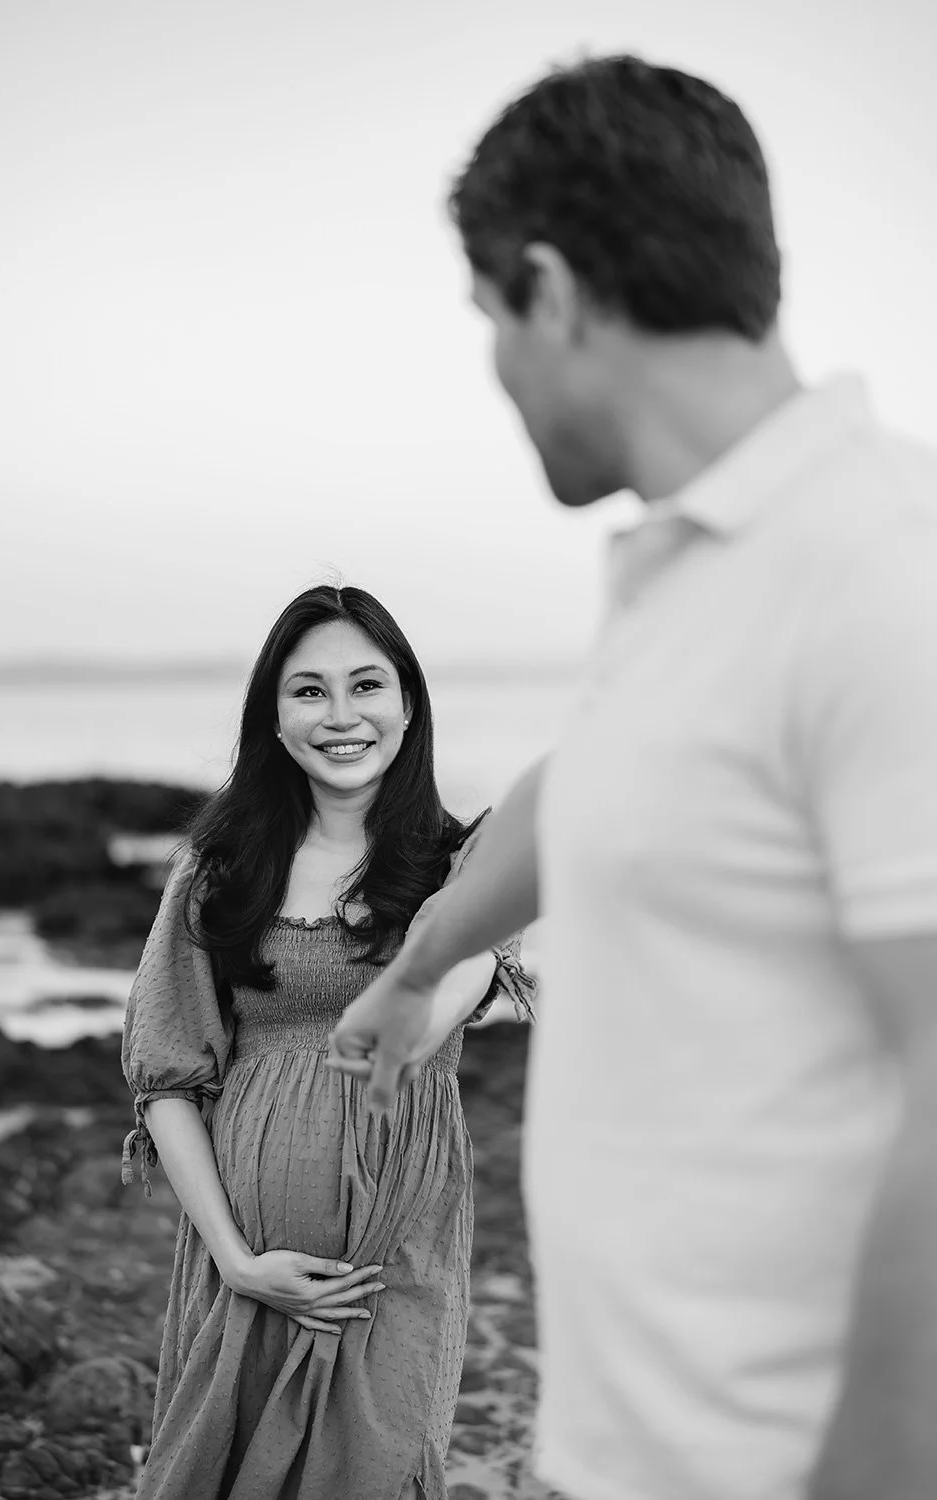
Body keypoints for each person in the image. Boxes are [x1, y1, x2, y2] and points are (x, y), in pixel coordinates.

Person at [327, 54, 937, 1500]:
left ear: (550, 289)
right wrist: (420, 966)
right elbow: (591, 787)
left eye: (489, 318)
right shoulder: (700, 568)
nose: (496, 367)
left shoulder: (881, 568)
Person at [120, 584, 534, 1500]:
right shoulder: (218, 871)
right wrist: (238, 1263)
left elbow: (449, 984)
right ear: (273, 718)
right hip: (243, 1258)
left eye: (367, 685)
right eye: (309, 691)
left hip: (394, 1261)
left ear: (409, 704)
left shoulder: (465, 862)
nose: (342, 715)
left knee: (379, 1470)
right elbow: (168, 1079)